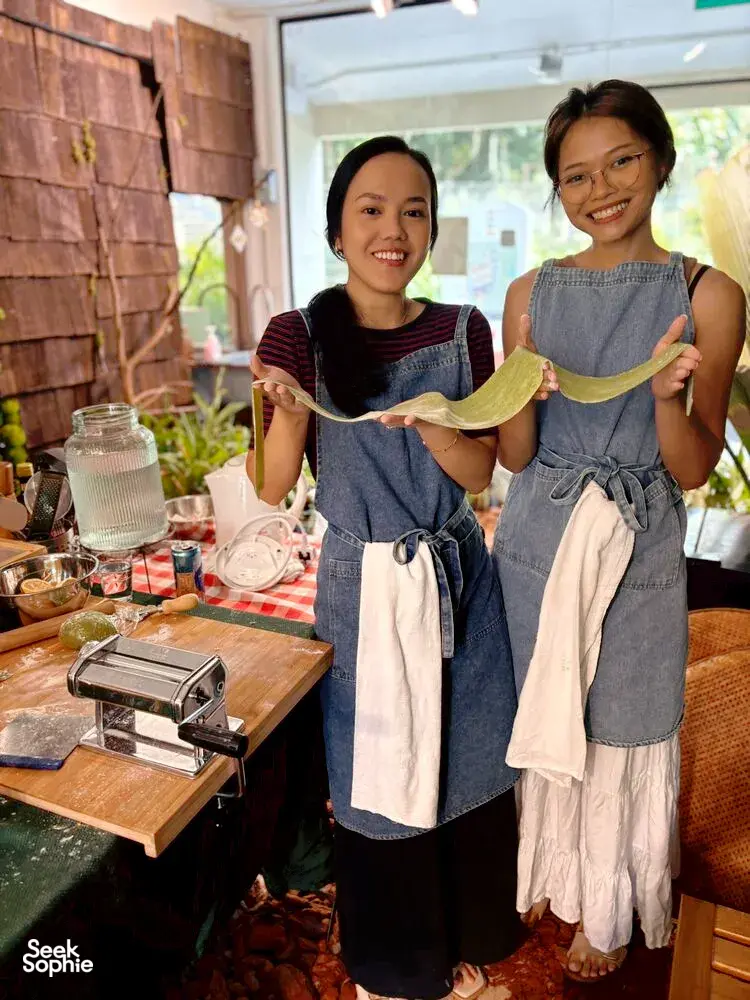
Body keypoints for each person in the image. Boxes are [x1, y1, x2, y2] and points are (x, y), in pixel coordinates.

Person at [248, 136, 520, 1000]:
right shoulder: (298, 335)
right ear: (337, 230)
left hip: (456, 576)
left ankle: (464, 937)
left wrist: (436, 424)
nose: (392, 230)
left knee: (469, 757)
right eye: (370, 210)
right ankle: (396, 968)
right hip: (364, 586)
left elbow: (478, 474)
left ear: (431, 229)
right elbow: (271, 484)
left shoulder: (463, 330)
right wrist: (291, 412)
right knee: (379, 771)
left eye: (413, 212)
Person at [493, 79, 746, 982]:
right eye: (575, 176)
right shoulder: (529, 292)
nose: (599, 190)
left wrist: (667, 396)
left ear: (661, 160)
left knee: (622, 724)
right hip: (540, 536)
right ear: (557, 189)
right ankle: (548, 866)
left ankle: (604, 908)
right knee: (546, 706)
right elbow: (517, 453)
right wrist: (518, 386)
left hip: (637, 539)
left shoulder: (710, 294)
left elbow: (693, 465)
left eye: (621, 162)